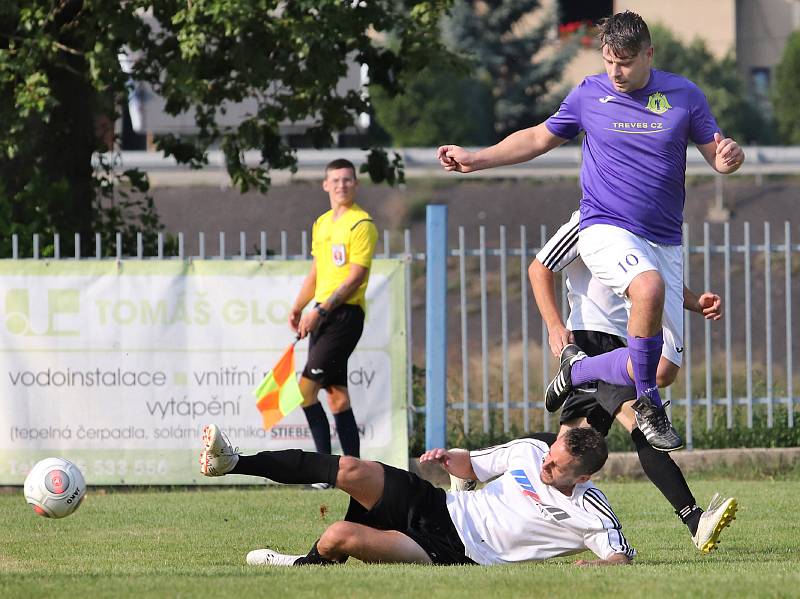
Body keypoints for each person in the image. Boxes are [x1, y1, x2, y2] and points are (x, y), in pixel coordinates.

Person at [437, 11, 745, 452]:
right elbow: (538, 138)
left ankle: (577, 371)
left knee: (661, 366)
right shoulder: (589, 94)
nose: (615, 72)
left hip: (665, 239)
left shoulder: (684, 94)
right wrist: (476, 158)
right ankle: (649, 407)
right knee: (649, 289)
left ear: (648, 54)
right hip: (605, 226)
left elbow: (719, 155)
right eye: (608, 61)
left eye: (625, 62)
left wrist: (731, 156)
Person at [527, 209, 737, 553]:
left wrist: (694, 302)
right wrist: (554, 326)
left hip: (625, 346)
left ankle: (477, 465)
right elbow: (539, 268)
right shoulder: (587, 222)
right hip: (593, 342)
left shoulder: (639, 224)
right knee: (643, 422)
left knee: (569, 444)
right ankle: (695, 520)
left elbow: (653, 282)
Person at [198, 423, 635, 567]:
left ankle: (304, 565)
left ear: (582, 479)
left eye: (557, 468)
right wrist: (451, 459)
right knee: (349, 468)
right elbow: (475, 465)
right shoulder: (532, 451)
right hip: (439, 503)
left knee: (337, 535)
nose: (546, 466)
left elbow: (620, 554)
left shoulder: (590, 510)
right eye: (551, 454)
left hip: (453, 548)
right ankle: (236, 462)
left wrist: (599, 564)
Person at [289, 158, 378, 466]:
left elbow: (355, 276)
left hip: (344, 316)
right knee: (337, 396)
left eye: (347, 180)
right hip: (321, 314)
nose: (341, 185)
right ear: (326, 185)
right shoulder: (322, 223)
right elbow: (317, 271)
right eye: (335, 180)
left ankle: (322, 471)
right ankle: (356, 470)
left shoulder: (361, 224)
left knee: (304, 390)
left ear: (356, 184)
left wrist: (321, 312)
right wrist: (300, 306)